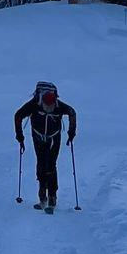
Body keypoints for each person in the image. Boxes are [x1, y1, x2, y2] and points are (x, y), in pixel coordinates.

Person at [14, 81, 77, 213]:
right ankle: (43, 195)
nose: (49, 108)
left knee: (51, 164)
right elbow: (18, 116)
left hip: (53, 137)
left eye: (52, 106)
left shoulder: (59, 106)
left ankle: (51, 197)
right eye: (47, 106)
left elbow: (72, 112)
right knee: (42, 163)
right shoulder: (34, 104)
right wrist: (20, 136)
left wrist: (72, 132)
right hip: (38, 136)